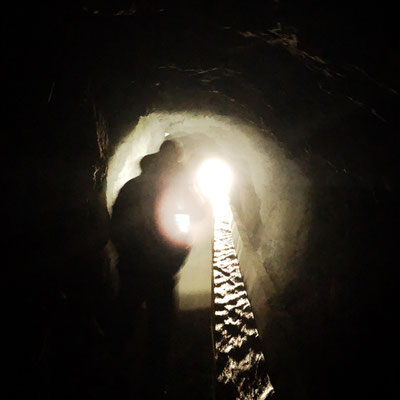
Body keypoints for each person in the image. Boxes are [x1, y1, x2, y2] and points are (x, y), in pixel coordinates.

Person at [110, 140, 197, 398]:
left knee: (125, 322)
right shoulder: (175, 190)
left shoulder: (131, 187)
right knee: (160, 331)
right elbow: (188, 224)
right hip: (159, 272)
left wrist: (125, 255)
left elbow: (115, 226)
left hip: (133, 269)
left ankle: (119, 375)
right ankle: (154, 384)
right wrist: (176, 260)